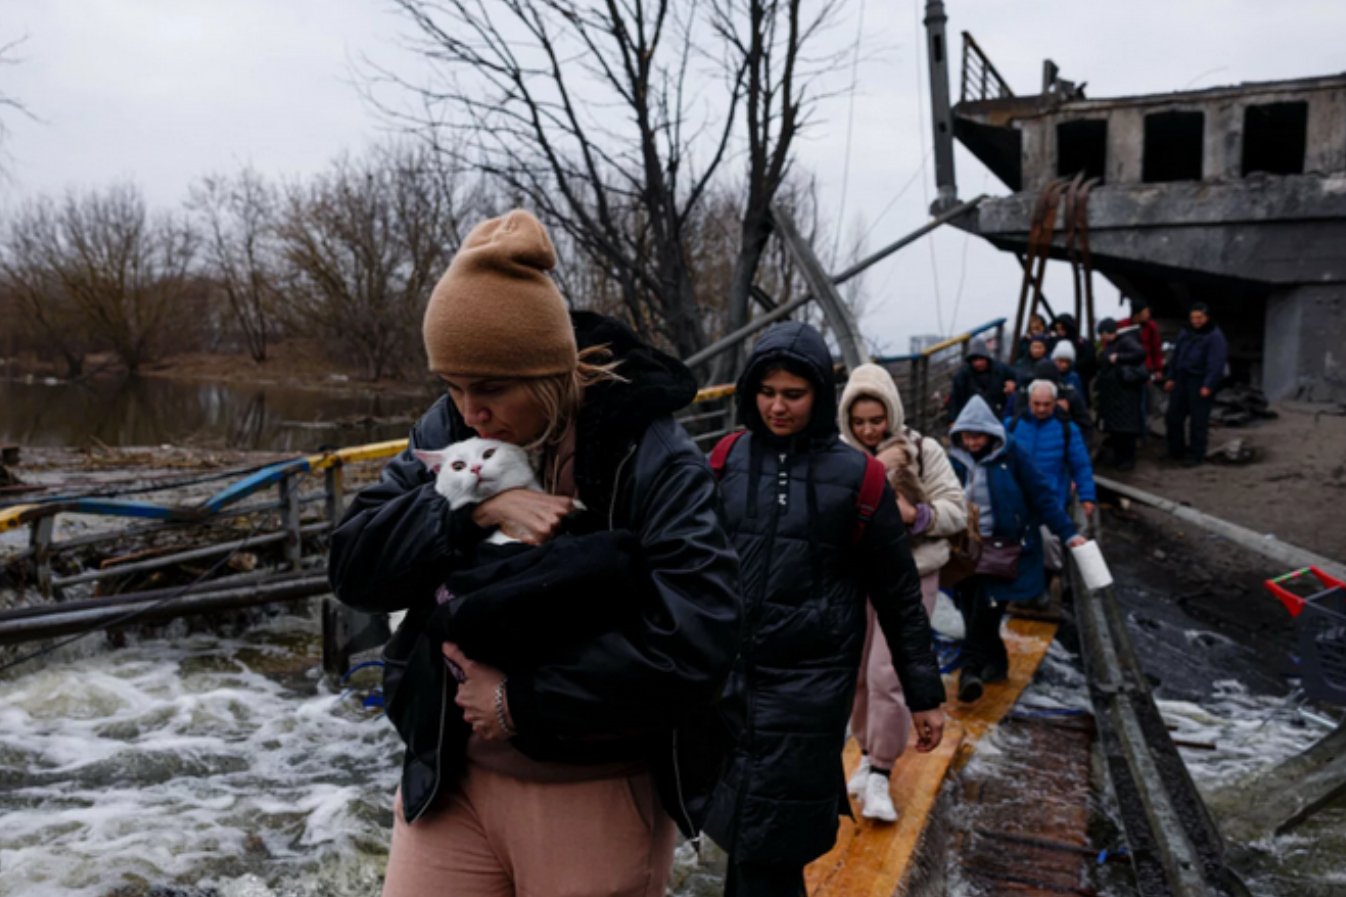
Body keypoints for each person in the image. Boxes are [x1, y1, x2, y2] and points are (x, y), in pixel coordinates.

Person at [328, 210, 740, 897]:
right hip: (451, 776)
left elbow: (700, 634)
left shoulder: (651, 452)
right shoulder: (451, 424)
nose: (470, 410)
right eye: (454, 384)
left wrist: (522, 699)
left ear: (546, 371)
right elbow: (353, 565)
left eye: (490, 387)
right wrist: (468, 505)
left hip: (594, 787)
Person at [701, 323, 945, 896]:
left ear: (818, 395)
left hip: (809, 688)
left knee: (770, 839)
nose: (777, 407)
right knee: (745, 834)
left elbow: (898, 595)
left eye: (793, 393)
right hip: (729, 683)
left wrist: (925, 696)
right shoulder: (725, 459)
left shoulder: (859, 478)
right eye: (766, 392)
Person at [837, 363, 967, 823]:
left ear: (891, 413)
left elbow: (958, 510)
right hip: (856, 579)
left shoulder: (923, 450)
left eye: (877, 420)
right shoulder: (841, 458)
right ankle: (869, 751)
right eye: (860, 422)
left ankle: (880, 772)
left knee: (886, 674)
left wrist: (917, 516)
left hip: (911, 576)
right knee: (854, 673)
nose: (869, 430)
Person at [946, 396, 1086, 702]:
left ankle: (968, 671)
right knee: (968, 608)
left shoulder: (1012, 456)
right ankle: (996, 663)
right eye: (967, 436)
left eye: (978, 436)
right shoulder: (954, 461)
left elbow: (1042, 495)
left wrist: (1068, 533)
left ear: (990, 434)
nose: (972, 442)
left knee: (987, 608)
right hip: (964, 550)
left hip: (1002, 549)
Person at [1004, 379, 1097, 587]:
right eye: (1037, 403)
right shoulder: (1012, 425)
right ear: (1029, 401)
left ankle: (1047, 584)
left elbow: (1080, 465)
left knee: (1049, 543)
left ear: (1055, 403)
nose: (1041, 409)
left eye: (1047, 404)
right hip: (1017, 499)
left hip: (1051, 500)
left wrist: (1087, 496)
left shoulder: (1067, 429)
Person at [1163, 302, 1228, 467]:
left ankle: (1196, 454)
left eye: (1199, 318)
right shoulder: (1185, 332)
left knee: (1198, 421)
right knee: (1173, 417)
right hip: (1182, 378)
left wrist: (1208, 385)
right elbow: (1176, 356)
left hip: (1200, 380)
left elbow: (1216, 363)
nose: (1196, 321)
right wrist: (1171, 377)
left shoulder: (1214, 336)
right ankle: (1175, 450)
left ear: (1206, 317)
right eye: (1193, 318)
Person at [1093, 318, 1148, 471]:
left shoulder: (1125, 342)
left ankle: (1127, 460)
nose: (1102, 337)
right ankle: (1119, 459)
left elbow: (1140, 353)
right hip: (1113, 395)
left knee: (1127, 431)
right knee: (1116, 430)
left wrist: (1118, 358)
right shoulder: (1110, 346)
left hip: (1126, 395)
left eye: (1104, 333)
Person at [948, 337, 1018, 420]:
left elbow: (1018, 378)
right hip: (971, 417)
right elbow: (956, 398)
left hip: (996, 415)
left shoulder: (1000, 369)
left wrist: (1014, 385)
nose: (978, 363)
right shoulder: (962, 375)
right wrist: (952, 419)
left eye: (981, 359)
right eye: (975, 360)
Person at [1050, 313, 1096, 395]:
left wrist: (1073, 366)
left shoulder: (1081, 342)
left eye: (1062, 329)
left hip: (1080, 381)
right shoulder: (1054, 342)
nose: (1059, 331)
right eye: (1057, 329)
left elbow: (1090, 360)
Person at [1050, 340, 1088, 407]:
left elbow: (1081, 400)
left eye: (1067, 362)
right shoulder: (1049, 376)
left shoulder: (1074, 377)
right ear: (1054, 360)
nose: (1064, 365)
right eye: (1061, 361)